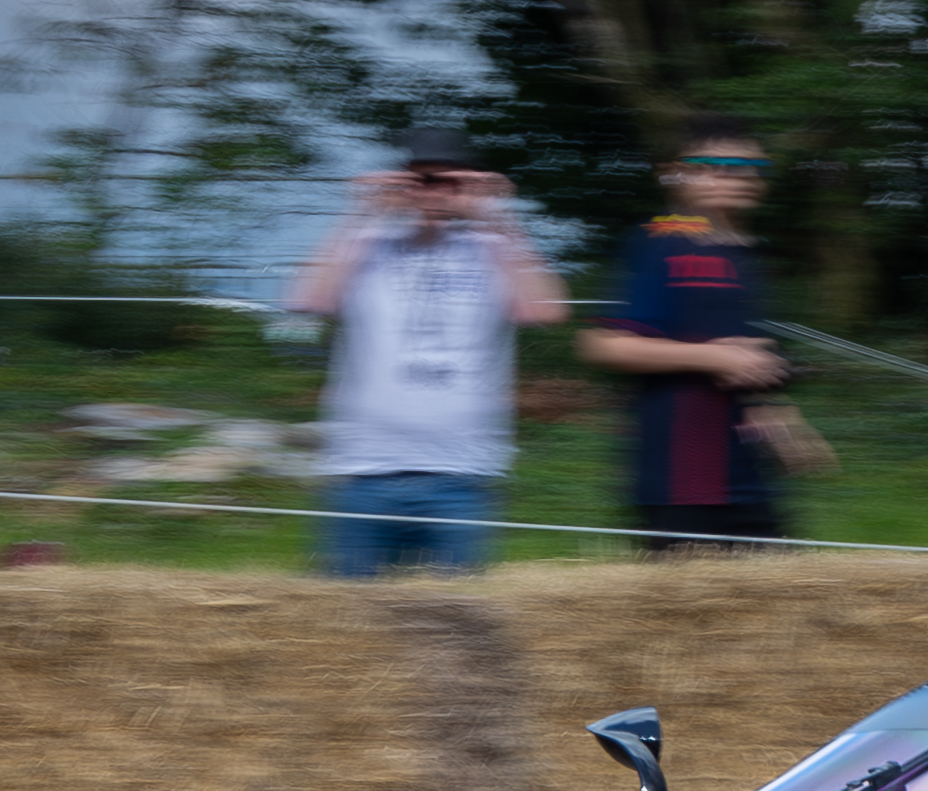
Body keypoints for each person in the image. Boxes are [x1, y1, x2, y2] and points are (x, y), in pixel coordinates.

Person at [284, 126, 567, 576]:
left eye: (449, 181)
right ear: (402, 182)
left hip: (460, 473)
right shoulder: (366, 246)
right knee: (346, 624)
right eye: (422, 180)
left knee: (456, 627)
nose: (435, 192)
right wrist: (360, 214)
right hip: (365, 469)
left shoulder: (493, 248)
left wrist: (496, 216)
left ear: (472, 183)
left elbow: (546, 311)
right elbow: (307, 300)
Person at [578, 120, 819, 551]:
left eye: (749, 166)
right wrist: (716, 359)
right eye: (717, 164)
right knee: (684, 610)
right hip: (680, 474)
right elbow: (603, 344)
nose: (738, 176)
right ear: (676, 173)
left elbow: (746, 355)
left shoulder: (750, 255)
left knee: (779, 601)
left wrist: (778, 413)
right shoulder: (660, 242)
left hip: (748, 474)